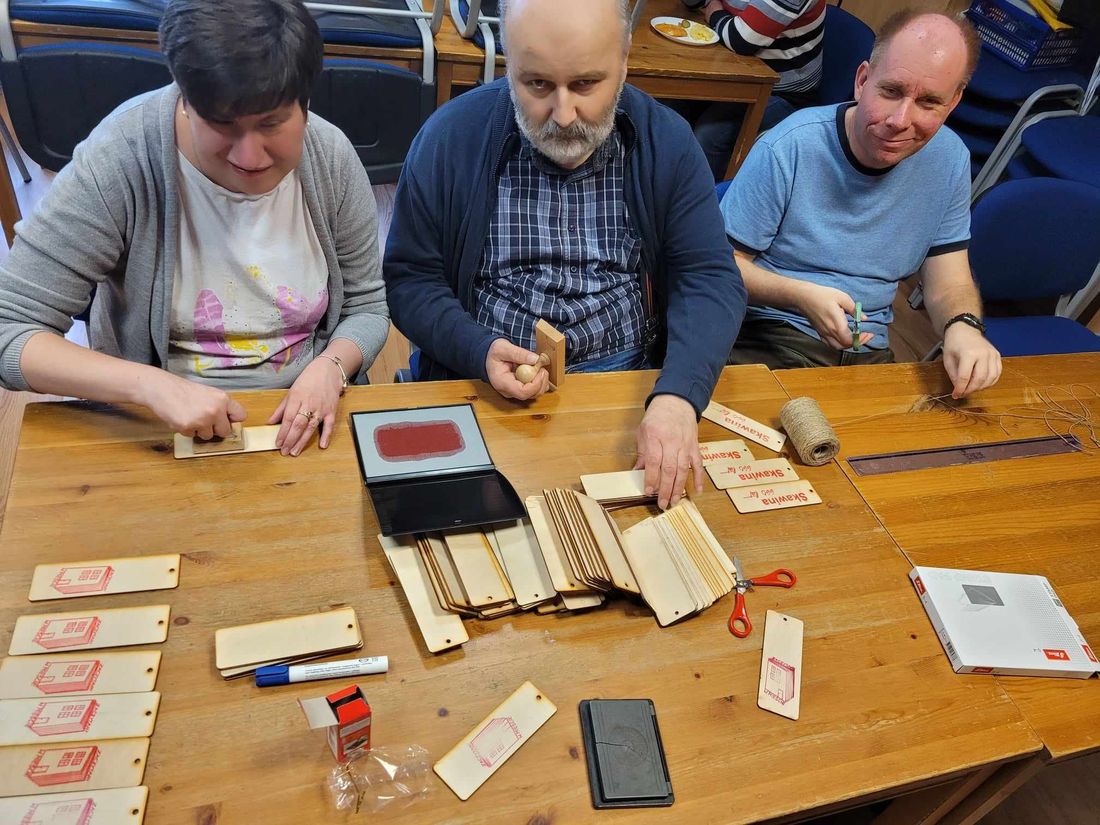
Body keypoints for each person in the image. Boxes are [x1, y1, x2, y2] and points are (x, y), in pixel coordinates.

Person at [383, 0, 746, 509]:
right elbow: (411, 280)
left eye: (585, 84)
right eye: (536, 84)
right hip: (479, 383)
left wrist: (678, 396)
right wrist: (477, 348)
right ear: (508, 60)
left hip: (626, 388)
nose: (564, 115)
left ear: (624, 60)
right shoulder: (451, 138)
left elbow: (708, 276)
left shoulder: (666, 142)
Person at [0, 0, 389, 456]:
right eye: (221, 124)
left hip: (304, 412)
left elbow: (366, 306)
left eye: (272, 123)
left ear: (304, 102)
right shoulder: (122, 157)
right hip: (156, 424)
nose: (250, 157)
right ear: (184, 97)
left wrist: (331, 367)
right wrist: (150, 386)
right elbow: (11, 329)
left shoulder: (331, 159)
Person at [721, 10, 1002, 398]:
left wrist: (963, 326)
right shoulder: (790, 146)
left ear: (953, 102)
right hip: (770, 333)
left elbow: (949, 280)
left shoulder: (950, 160)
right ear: (862, 80)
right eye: (891, 91)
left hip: (867, 350)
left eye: (928, 102)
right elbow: (721, 264)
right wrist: (800, 295)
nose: (900, 120)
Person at [681, 0, 827, 180]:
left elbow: (740, 40)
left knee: (711, 134)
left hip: (782, 90)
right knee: (671, 103)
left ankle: (710, 196)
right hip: (734, 69)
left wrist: (713, 11)